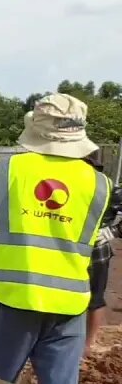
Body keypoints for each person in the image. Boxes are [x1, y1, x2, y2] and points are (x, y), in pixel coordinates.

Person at [0, 94, 110, 384]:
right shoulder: (100, 184)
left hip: (12, 301)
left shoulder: (6, 170)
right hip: (69, 309)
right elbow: (95, 248)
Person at [85, 149, 122, 349]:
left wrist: (113, 231)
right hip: (68, 248)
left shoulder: (106, 187)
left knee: (94, 298)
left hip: (96, 251)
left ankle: (89, 343)